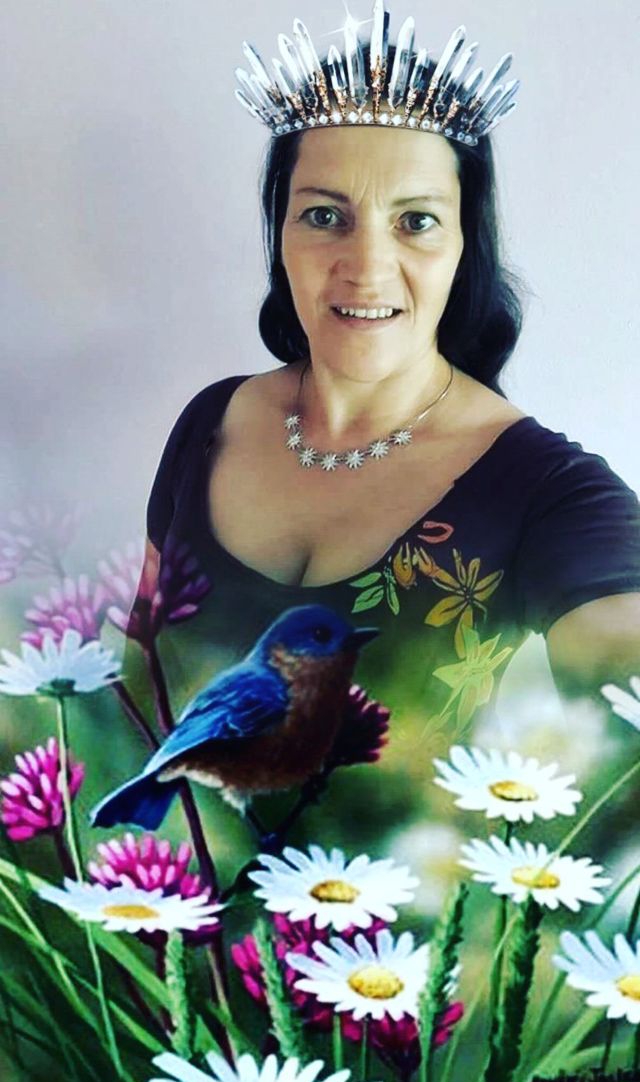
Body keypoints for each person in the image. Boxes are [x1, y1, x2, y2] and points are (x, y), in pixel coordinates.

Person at [135, 4, 640, 793]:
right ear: (280, 235)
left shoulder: (555, 494)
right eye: (324, 216)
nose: (366, 268)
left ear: (464, 243)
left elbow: (622, 689)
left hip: (414, 875)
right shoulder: (210, 423)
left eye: (416, 221)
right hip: (149, 868)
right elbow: (134, 682)